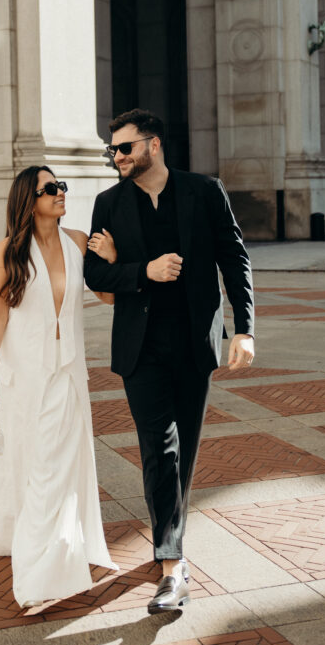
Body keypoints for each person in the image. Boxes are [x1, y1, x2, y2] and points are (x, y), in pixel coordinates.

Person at [84, 109, 255, 614]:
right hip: (141, 348)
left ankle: (168, 532)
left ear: (152, 146)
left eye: (124, 148)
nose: (116, 157)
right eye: (112, 150)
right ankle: (171, 565)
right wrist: (139, 270)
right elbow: (95, 274)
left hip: (194, 343)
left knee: (185, 450)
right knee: (160, 449)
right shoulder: (108, 203)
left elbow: (235, 256)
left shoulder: (204, 192)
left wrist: (243, 328)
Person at [0, 166, 117, 608]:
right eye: (51, 189)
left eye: (62, 186)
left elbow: (108, 297)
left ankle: (41, 573)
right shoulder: (9, 251)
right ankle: (40, 563)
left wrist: (110, 259)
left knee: (55, 472)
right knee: (35, 469)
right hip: (22, 378)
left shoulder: (78, 241)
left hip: (69, 376)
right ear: (29, 200)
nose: (61, 193)